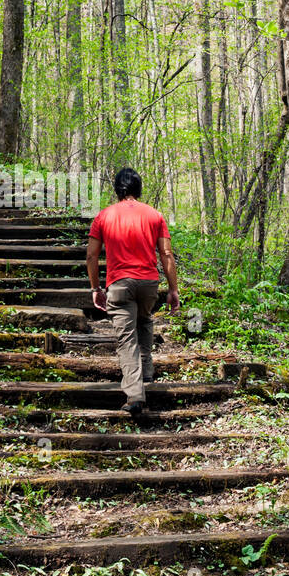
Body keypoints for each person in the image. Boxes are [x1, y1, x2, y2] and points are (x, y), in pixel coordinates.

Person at [86, 167, 179, 416]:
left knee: (127, 340)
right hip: (149, 283)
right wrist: (173, 289)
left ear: (117, 190)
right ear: (139, 189)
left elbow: (91, 255)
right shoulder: (155, 215)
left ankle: (136, 396)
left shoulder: (103, 216)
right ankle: (146, 373)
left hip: (119, 285)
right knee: (145, 320)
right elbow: (166, 254)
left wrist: (96, 287)